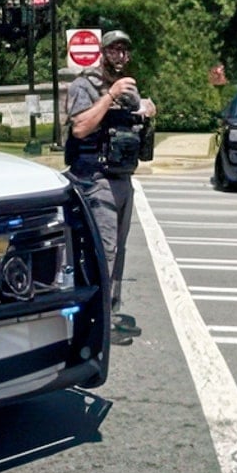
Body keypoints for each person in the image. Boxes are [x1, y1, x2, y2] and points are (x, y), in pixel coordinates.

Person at [65, 30, 156, 346]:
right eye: (114, 50)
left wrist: (144, 110)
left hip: (122, 177)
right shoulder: (83, 86)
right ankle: (95, 320)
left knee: (118, 251)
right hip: (94, 178)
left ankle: (110, 314)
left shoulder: (129, 89)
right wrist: (109, 95)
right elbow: (79, 128)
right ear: (103, 53)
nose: (120, 56)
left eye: (125, 51)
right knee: (103, 251)